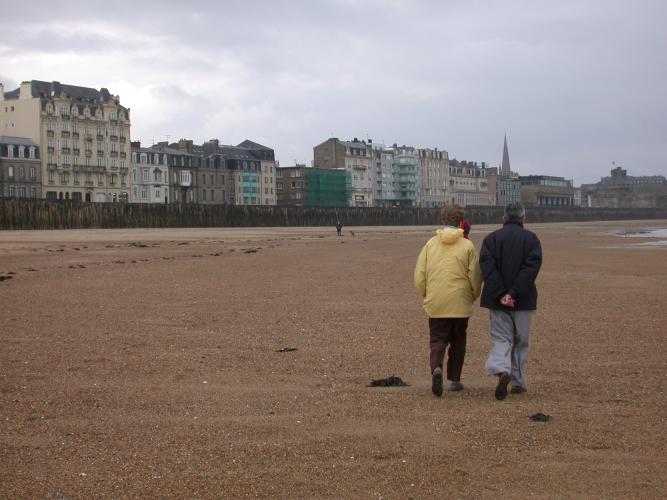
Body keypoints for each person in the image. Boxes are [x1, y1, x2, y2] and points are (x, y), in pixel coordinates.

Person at [414, 204, 482, 397]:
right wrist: (474, 294)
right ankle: (455, 380)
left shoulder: (430, 244)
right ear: (460, 220)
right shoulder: (467, 245)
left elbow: (419, 275)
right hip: (460, 301)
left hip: (437, 301)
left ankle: (437, 369)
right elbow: (475, 276)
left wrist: (426, 294)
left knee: (438, 338)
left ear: (443, 220)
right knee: (458, 341)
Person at [479, 202, 542, 400]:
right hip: (522, 299)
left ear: (504, 218)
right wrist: (513, 293)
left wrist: (501, 294)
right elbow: (530, 270)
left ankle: (502, 368)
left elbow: (488, 270)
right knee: (521, 341)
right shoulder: (531, 239)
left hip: (497, 300)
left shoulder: (491, 239)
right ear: (523, 218)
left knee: (501, 338)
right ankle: (517, 380)